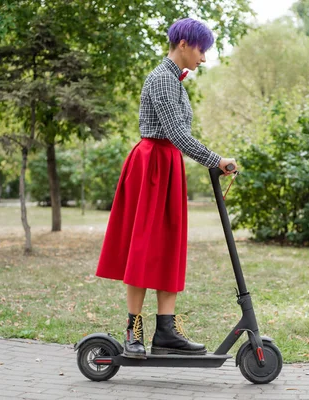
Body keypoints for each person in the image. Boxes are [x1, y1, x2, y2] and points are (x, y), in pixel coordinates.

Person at [95, 17, 237, 359]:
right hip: (151, 168)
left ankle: (166, 331)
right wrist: (215, 159)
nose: (203, 59)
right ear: (185, 44)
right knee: (143, 247)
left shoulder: (176, 82)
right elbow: (175, 133)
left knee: (168, 246)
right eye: (202, 50)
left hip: (169, 166)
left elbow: (178, 138)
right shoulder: (160, 79)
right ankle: (133, 331)